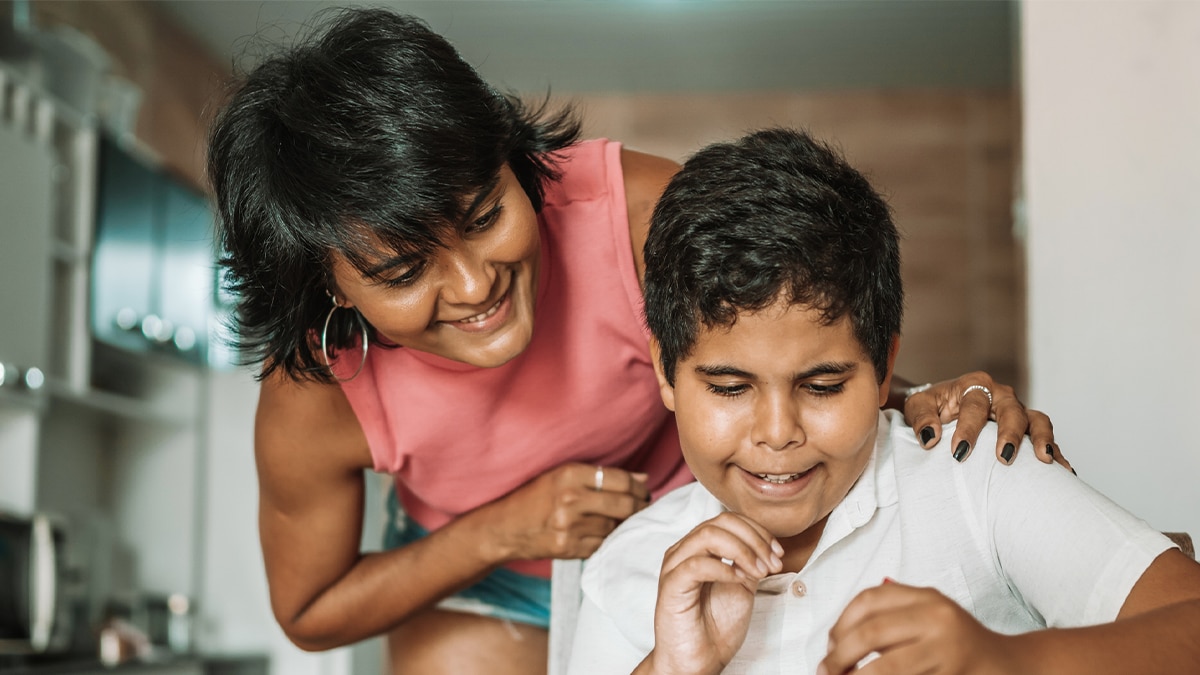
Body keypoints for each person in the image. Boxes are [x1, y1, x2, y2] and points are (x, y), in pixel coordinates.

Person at [205, 8, 1065, 674]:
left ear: (509, 155)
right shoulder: (317, 395)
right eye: (402, 273)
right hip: (479, 574)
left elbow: (788, 345)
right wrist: (503, 531)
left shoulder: (640, 216)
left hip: (687, 526)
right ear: (326, 284)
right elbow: (310, 607)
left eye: (484, 216)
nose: (474, 285)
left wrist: (913, 395)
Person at [565, 127, 1200, 675]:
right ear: (666, 373)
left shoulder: (972, 479)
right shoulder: (631, 572)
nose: (778, 432)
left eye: (823, 386)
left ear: (886, 365)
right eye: (730, 387)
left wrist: (1006, 662)